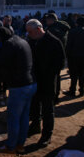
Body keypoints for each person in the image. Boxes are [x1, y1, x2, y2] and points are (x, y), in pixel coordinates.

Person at [0, 27, 36, 154]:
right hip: (31, 83)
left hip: (19, 86)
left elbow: (0, 62)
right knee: (24, 117)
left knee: (14, 118)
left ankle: (10, 146)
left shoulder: (9, 44)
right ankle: (20, 144)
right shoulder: (21, 40)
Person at [26, 19, 65, 147]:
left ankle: (47, 135)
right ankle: (35, 126)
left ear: (38, 29)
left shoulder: (54, 42)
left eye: (30, 32)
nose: (28, 34)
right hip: (34, 80)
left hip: (47, 82)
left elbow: (60, 63)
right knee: (35, 106)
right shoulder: (31, 41)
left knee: (48, 109)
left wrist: (48, 72)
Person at [64, 17, 84, 97]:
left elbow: (68, 45)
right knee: (82, 75)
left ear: (76, 23)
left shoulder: (72, 32)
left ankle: (72, 90)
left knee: (73, 75)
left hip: (73, 56)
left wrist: (67, 55)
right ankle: (82, 91)